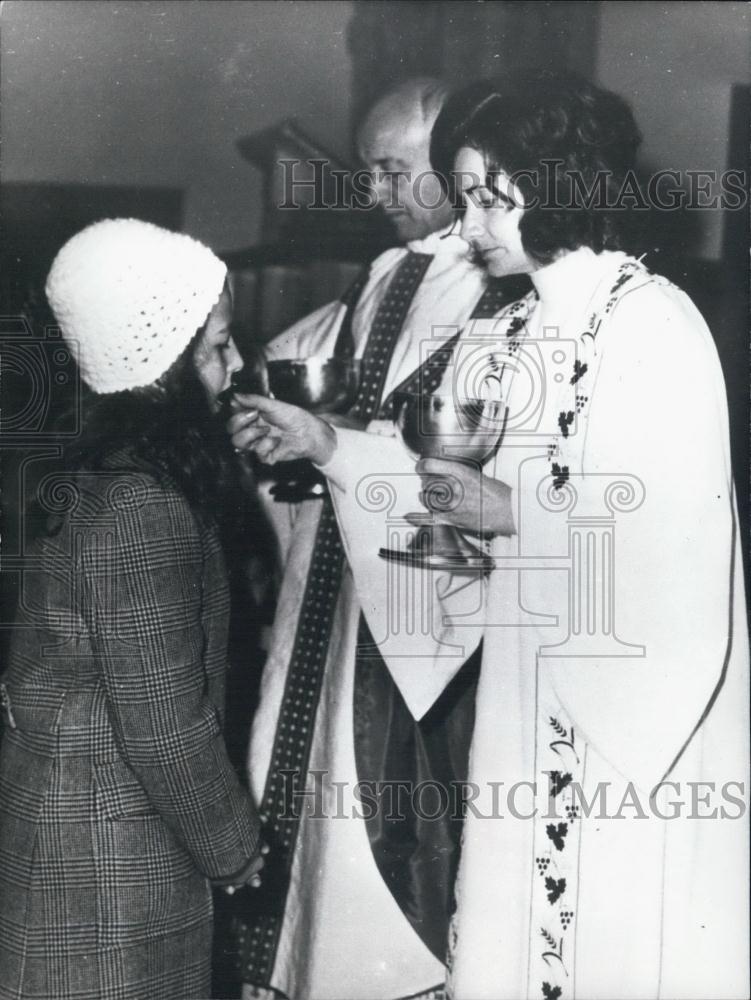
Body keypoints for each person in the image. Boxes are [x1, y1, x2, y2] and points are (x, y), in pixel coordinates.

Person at [231, 72, 749, 999]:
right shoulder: (513, 327)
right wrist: (331, 449)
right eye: (463, 196)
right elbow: (453, 492)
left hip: (621, 719)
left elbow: (669, 543)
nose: (466, 226)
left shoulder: (652, 320)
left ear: (553, 185)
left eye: (486, 198)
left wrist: (507, 513)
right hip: (523, 687)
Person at [229, 78, 522, 1000]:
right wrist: (266, 416)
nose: (372, 192)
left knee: (387, 835)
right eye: (367, 171)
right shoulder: (384, 274)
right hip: (329, 590)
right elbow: (304, 371)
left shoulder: (507, 290)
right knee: (307, 806)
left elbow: (488, 474)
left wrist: (335, 445)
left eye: (393, 170)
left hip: (416, 613)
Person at [0, 219, 266, 1000]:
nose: (237, 364)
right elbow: (164, 726)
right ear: (164, 370)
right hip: (106, 874)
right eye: (218, 346)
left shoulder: (106, 475)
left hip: (72, 842)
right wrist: (234, 849)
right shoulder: (143, 506)